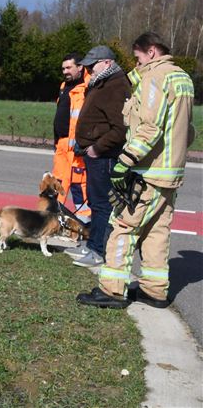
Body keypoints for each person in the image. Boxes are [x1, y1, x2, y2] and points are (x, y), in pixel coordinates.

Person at [77, 32, 195, 308]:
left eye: (139, 56)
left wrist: (125, 161)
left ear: (151, 51)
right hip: (170, 172)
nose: (137, 63)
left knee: (124, 227)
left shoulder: (156, 78)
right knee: (156, 231)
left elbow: (149, 127)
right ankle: (154, 291)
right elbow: (187, 132)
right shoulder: (183, 79)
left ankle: (112, 290)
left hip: (148, 171)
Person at [65, 45, 129, 268]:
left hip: (103, 156)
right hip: (94, 154)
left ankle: (97, 250)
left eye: (93, 65)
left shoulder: (116, 85)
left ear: (107, 63)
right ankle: (93, 244)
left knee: (102, 204)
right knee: (95, 201)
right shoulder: (101, 82)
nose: (89, 69)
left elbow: (120, 128)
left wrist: (98, 148)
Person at [51, 53, 90, 221]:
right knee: (57, 183)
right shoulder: (64, 85)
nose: (65, 71)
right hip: (62, 144)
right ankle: (54, 219)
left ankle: (85, 224)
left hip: (76, 146)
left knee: (77, 184)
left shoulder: (88, 86)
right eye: (63, 68)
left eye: (69, 68)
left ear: (80, 67)